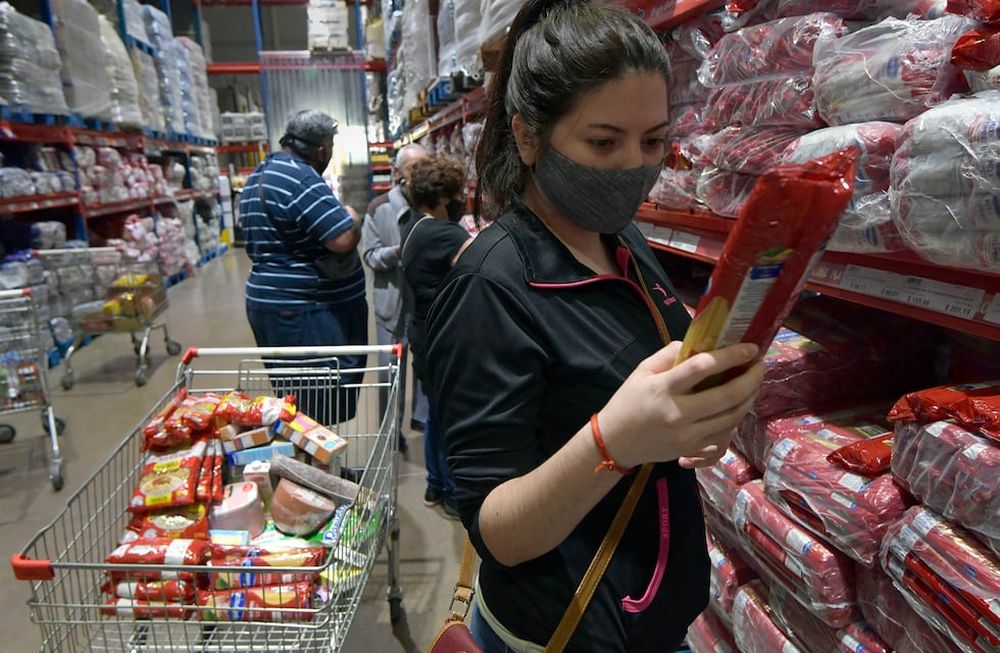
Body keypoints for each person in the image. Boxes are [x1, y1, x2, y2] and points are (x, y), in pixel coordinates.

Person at [424, 1, 766, 651]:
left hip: (653, 621)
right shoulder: (491, 285)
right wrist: (614, 439)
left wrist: (704, 409)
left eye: (654, 141)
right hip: (561, 631)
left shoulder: (623, 242)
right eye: (603, 142)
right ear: (528, 137)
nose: (634, 166)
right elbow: (497, 530)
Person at [240, 109, 368, 423]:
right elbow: (341, 238)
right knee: (317, 398)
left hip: (277, 303)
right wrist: (351, 215)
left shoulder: (262, 173)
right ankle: (312, 467)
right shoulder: (300, 178)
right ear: (322, 150)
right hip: (304, 310)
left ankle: (310, 465)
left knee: (299, 396)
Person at [399, 156, 473, 519]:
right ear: (443, 197)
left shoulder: (413, 226)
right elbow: (482, 271)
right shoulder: (446, 234)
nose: (461, 201)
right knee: (452, 418)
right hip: (444, 338)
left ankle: (435, 485)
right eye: (457, 194)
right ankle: (456, 495)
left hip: (423, 333)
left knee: (435, 416)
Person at [362, 143, 428, 453]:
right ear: (398, 171)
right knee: (391, 368)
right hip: (393, 301)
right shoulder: (379, 208)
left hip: (426, 299)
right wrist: (400, 252)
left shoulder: (433, 201)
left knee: (427, 363)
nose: (417, 174)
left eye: (423, 166)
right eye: (412, 168)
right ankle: (390, 430)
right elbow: (371, 256)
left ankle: (422, 421)